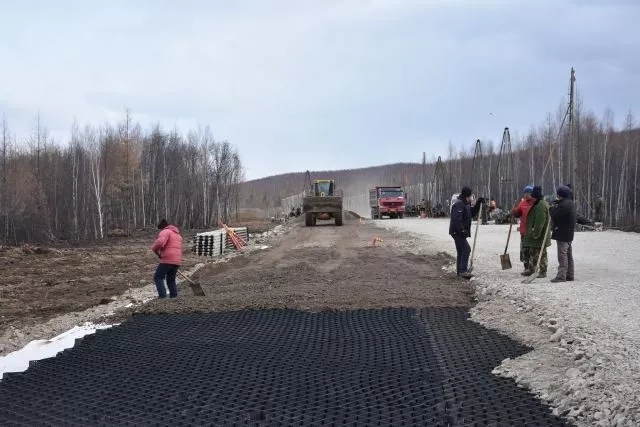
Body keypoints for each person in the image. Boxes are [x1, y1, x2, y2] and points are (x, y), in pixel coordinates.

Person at [449, 186, 485, 279]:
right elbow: (456, 220)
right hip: (457, 232)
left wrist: (478, 204)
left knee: (461, 251)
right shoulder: (459, 204)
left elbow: (471, 213)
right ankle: (463, 271)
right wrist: (462, 230)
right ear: (466, 196)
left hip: (460, 232)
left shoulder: (466, 204)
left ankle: (459, 271)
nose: (471, 198)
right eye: (470, 196)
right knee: (466, 249)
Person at [522, 186, 551, 278]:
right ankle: (532, 269)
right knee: (533, 253)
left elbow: (540, 222)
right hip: (534, 234)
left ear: (536, 197)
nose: (532, 198)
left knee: (540, 254)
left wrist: (536, 234)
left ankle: (542, 271)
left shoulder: (541, 206)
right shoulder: (537, 204)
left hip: (539, 235)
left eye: (533, 197)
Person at [549, 185, 577, 282]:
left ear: (560, 195)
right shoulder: (570, 203)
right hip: (569, 233)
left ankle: (561, 276)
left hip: (562, 233)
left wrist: (552, 208)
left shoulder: (563, 205)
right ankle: (570, 274)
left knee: (562, 255)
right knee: (568, 255)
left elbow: (555, 215)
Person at [151, 219, 183, 298]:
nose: (161, 231)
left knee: (158, 277)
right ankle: (174, 296)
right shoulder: (178, 235)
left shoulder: (165, 232)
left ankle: (162, 296)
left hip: (167, 259)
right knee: (171, 279)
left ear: (162, 227)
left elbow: (160, 242)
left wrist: (154, 249)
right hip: (177, 260)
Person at [512, 185, 535, 273]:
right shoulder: (522, 203)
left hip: (532, 231)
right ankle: (526, 267)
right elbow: (517, 214)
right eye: (525, 193)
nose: (526, 195)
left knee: (532, 250)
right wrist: (514, 212)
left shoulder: (535, 203)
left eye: (528, 193)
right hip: (523, 230)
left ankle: (533, 267)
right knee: (524, 249)